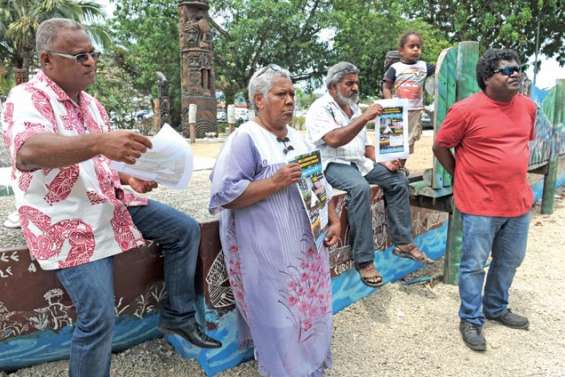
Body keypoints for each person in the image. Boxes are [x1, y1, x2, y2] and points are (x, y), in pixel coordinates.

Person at [1, 18, 221, 377]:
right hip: (65, 221)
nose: (90, 62)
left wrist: (129, 175)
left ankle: (178, 317)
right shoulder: (28, 97)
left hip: (108, 201)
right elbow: (27, 152)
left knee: (184, 230)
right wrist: (100, 142)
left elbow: (97, 162)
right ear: (46, 60)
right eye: (79, 55)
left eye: (93, 54)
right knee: (98, 317)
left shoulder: (91, 105)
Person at [209, 64, 341, 376]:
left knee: (312, 310)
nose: (290, 100)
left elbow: (319, 182)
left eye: (292, 94)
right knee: (279, 318)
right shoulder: (246, 139)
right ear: (259, 100)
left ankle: (311, 366)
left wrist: (333, 219)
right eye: (281, 94)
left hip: (308, 250)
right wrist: (274, 181)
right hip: (268, 255)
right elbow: (225, 195)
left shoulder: (299, 138)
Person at [433, 48, 535, 352]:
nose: (515, 73)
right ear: (487, 78)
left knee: (510, 260)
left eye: (517, 68)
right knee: (474, 264)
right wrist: (460, 175)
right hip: (479, 204)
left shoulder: (528, 107)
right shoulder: (466, 110)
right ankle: (471, 319)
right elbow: (441, 146)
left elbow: (520, 146)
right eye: (506, 70)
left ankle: (496, 307)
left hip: (518, 202)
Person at [305, 62, 432, 289]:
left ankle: (403, 242)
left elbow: (365, 148)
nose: (355, 88)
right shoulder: (320, 108)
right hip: (332, 163)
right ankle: (364, 261)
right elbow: (333, 140)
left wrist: (384, 161)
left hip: (358, 162)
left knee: (398, 180)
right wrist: (365, 118)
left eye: (356, 83)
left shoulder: (353, 109)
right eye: (349, 83)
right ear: (333, 87)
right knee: (359, 188)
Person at [382, 31, 435, 168]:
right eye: (412, 46)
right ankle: (390, 168)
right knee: (393, 141)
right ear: (401, 50)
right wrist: (390, 105)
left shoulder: (424, 66)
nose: (416, 49)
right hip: (397, 111)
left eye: (418, 46)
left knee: (409, 142)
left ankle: (400, 167)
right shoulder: (395, 68)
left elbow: (441, 68)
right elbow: (386, 86)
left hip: (415, 112)